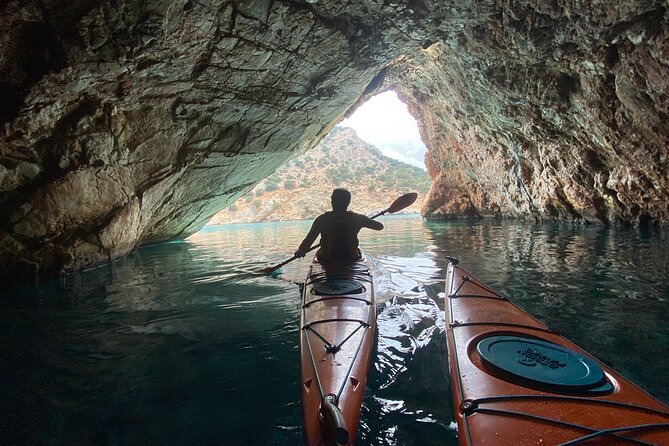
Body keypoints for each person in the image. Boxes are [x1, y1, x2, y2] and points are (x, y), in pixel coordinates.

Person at [295, 188, 383, 262]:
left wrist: (300, 252)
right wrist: (365, 220)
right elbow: (379, 226)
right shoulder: (357, 218)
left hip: (327, 259)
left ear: (332, 201)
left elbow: (308, 242)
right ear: (348, 202)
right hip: (351, 259)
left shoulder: (322, 219)